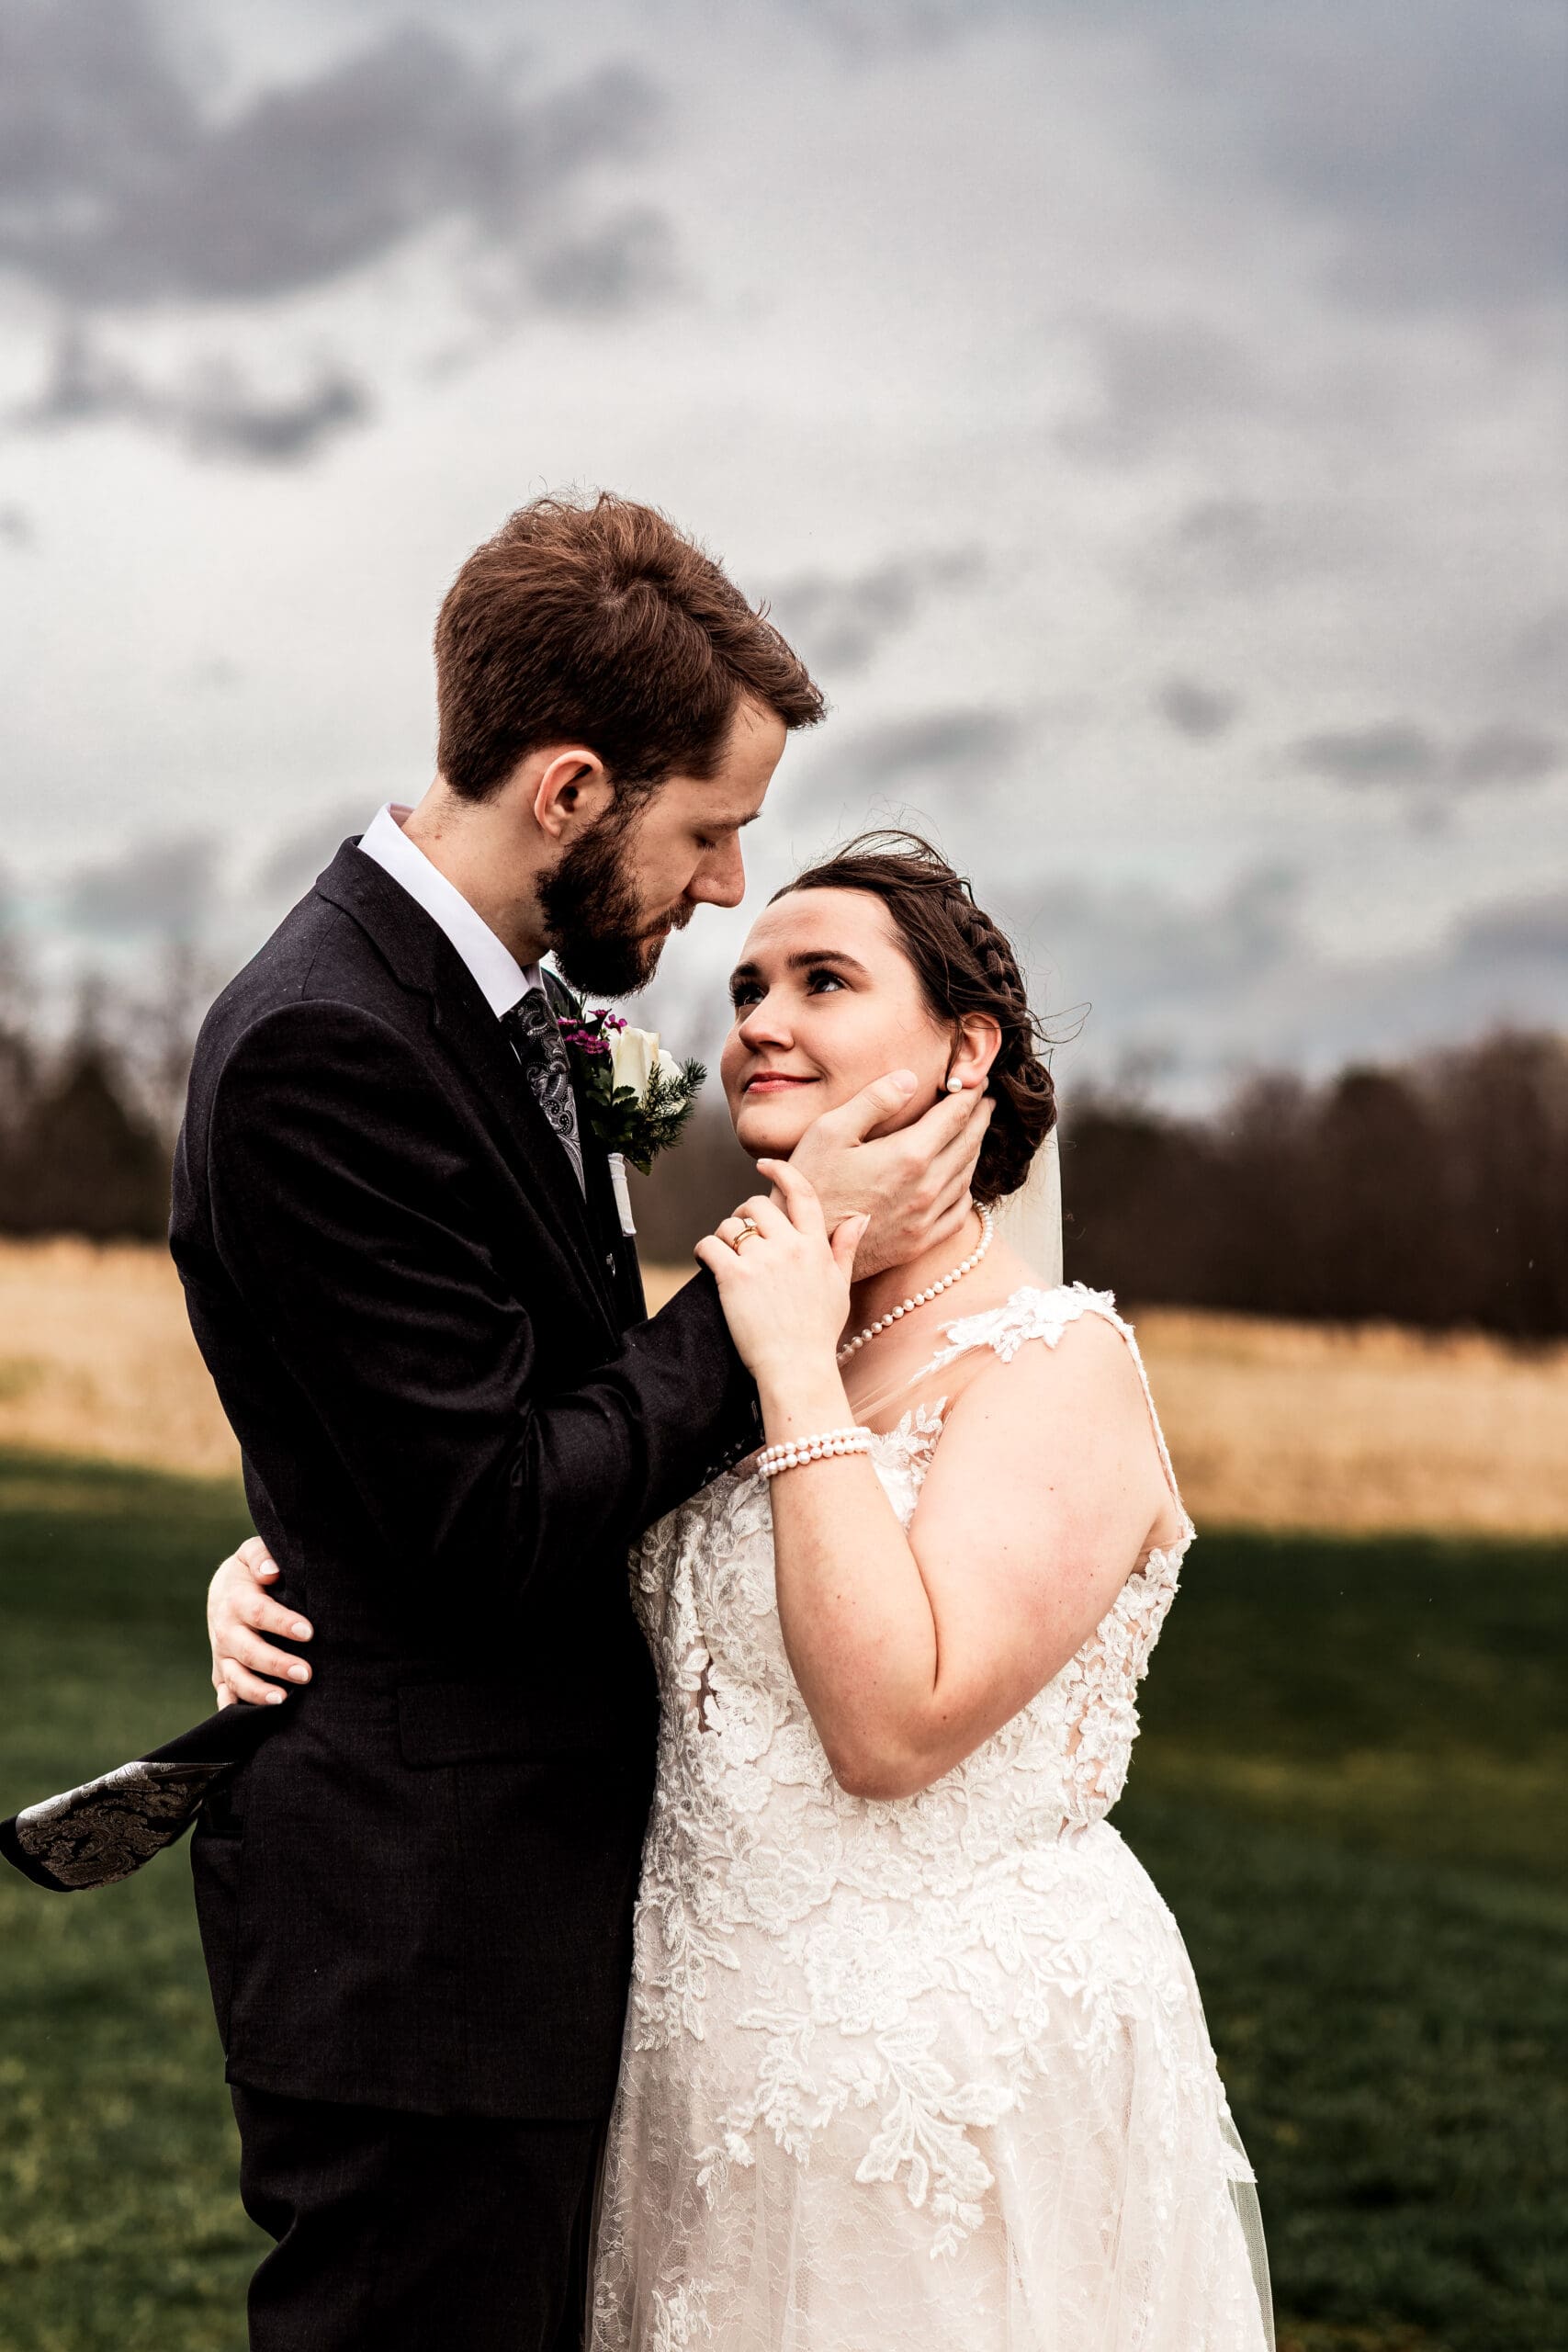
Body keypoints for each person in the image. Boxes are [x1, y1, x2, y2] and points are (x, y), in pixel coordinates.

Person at [51, 498, 990, 2352]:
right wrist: (780, 1272)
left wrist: (301, 1537)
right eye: (709, 829)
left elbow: (455, 1427)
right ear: (570, 788)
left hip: (512, 1915)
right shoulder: (333, 1040)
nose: (728, 885)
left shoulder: (502, 1014)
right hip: (431, 1945)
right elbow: (488, 1505)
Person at [213, 835, 1274, 2350]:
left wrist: (785, 1360)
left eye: (824, 982)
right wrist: (282, 1572)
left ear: (965, 1047)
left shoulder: (1059, 1370)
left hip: (938, 2087)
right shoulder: (730, 1348)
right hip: (690, 2067)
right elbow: (523, 1514)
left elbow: (889, 1724)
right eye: (751, 985)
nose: (759, 1018)